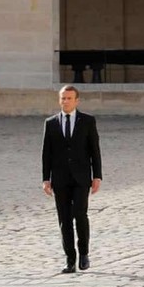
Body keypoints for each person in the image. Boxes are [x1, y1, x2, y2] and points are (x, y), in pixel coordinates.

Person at [42, 85, 102, 273]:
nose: (65, 101)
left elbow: (95, 150)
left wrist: (97, 175)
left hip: (81, 177)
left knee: (80, 215)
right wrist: (46, 178)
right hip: (60, 179)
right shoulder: (50, 123)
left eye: (69, 98)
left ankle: (84, 252)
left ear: (77, 100)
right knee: (64, 220)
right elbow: (46, 153)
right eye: (63, 98)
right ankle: (70, 259)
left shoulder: (87, 121)